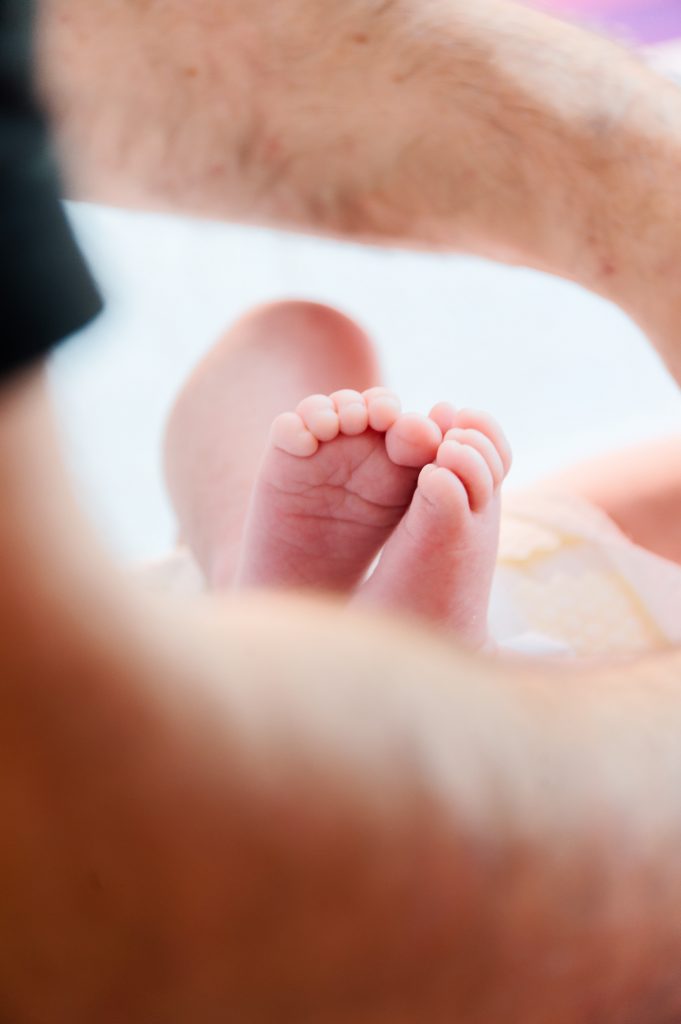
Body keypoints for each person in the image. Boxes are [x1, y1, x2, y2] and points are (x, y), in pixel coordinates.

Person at [2, 0, 681, 1020]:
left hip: (244, 777)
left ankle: (274, 592)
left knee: (287, 354)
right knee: (295, 340)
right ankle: (310, 615)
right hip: (549, 709)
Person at [162, 300, 681, 659]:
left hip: (564, 707)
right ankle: (267, 601)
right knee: (299, 331)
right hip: (560, 623)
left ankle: (256, 592)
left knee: (290, 338)